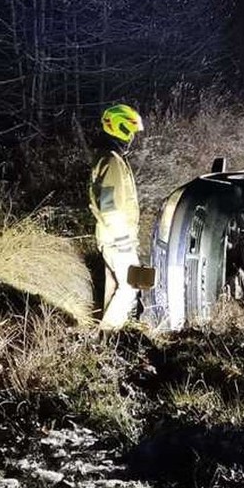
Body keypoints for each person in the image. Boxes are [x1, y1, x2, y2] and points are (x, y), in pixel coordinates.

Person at [89, 104, 144, 331]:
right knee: (132, 284)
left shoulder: (110, 158)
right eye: (130, 131)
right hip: (116, 237)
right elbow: (109, 204)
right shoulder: (111, 160)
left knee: (115, 285)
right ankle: (108, 333)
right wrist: (122, 238)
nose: (131, 138)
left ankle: (110, 333)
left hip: (114, 235)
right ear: (119, 128)